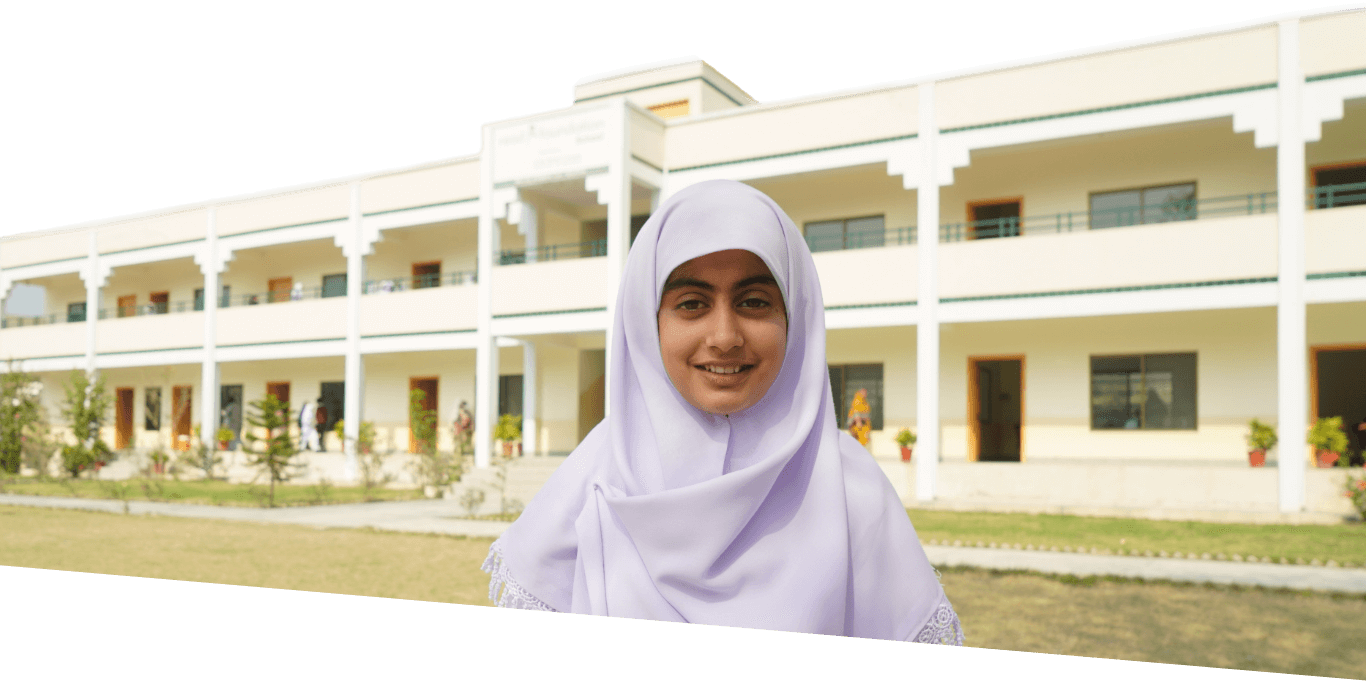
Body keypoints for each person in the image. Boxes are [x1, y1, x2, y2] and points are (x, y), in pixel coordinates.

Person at [481, 179, 963, 643]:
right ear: (647, 323)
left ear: (793, 318)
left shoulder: (848, 489)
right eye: (692, 304)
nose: (725, 337)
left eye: (754, 302)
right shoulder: (593, 481)